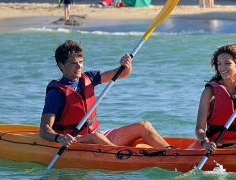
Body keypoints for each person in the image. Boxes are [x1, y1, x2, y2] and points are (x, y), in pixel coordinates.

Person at [40, 40, 173, 148]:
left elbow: (120, 73)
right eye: (73, 63)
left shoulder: (89, 77)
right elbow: (44, 130)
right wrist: (60, 138)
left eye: (80, 62)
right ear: (61, 65)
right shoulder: (56, 93)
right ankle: (122, 156)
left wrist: (126, 65)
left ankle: (171, 153)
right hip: (73, 141)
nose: (79, 66)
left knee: (143, 126)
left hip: (96, 135)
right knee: (95, 137)